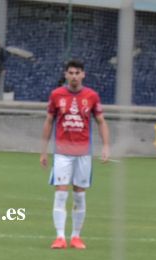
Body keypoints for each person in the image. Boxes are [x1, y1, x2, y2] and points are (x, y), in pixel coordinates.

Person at [40, 59, 110, 250]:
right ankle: (60, 237)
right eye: (70, 72)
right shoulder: (56, 95)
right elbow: (48, 121)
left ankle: (76, 237)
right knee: (61, 193)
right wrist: (44, 150)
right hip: (62, 153)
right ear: (66, 74)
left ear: (83, 75)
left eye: (77, 72)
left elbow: (101, 121)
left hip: (83, 154)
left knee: (79, 195)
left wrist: (105, 146)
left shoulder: (92, 96)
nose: (74, 76)